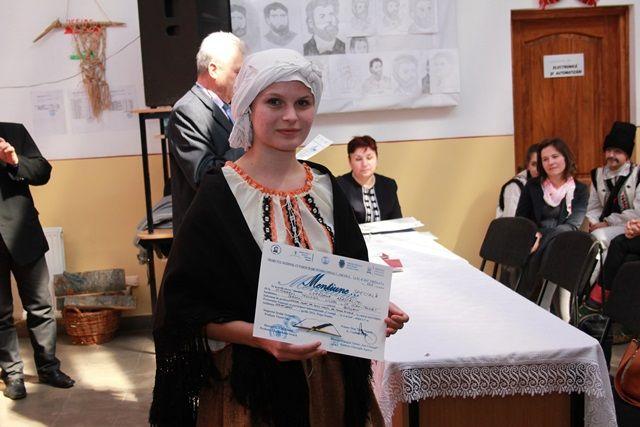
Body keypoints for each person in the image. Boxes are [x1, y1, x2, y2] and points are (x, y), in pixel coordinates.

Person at [149, 49, 409, 426]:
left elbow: (346, 278)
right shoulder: (219, 194)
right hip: (251, 393)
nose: (291, 116)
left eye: (302, 103)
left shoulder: (326, 185)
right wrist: (261, 337)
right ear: (248, 108)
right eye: (274, 102)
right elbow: (181, 311)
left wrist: (372, 307)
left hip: (329, 384)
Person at [0, 122, 74, 400]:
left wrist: (14, 160)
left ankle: (48, 367)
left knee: (41, 306)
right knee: (1, 315)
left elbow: (43, 172)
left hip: (24, 235)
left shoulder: (13, 132)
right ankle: (13, 374)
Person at [168, 32, 245, 233]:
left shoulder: (231, 107)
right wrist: (252, 145)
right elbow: (204, 175)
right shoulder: (187, 110)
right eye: (237, 72)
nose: (243, 80)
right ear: (213, 69)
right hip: (206, 232)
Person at [516, 138, 588, 300]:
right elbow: (521, 218)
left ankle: (525, 294)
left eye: (555, 156)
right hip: (534, 240)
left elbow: (573, 225)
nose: (550, 162)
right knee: (547, 253)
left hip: (564, 242)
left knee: (556, 243)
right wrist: (534, 234)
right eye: (545, 159)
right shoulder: (532, 186)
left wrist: (543, 238)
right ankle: (539, 303)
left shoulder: (580, 189)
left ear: (565, 157)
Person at [586, 121, 638, 249]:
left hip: (630, 226)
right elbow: (594, 207)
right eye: (608, 150)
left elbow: (638, 211)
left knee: (598, 237)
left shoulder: (637, 174)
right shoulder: (597, 175)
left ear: (627, 155)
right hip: (602, 226)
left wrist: (608, 223)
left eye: (617, 151)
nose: (611, 155)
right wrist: (593, 223)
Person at [337, 136, 403, 224]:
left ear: (376, 158)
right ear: (350, 161)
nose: (364, 164)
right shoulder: (339, 185)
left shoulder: (389, 185)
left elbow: (397, 222)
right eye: (358, 159)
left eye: (369, 158)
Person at [496, 143, 539, 218]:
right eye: (534, 164)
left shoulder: (548, 183)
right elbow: (511, 221)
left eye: (541, 164)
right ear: (528, 165)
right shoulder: (514, 187)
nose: (538, 169)